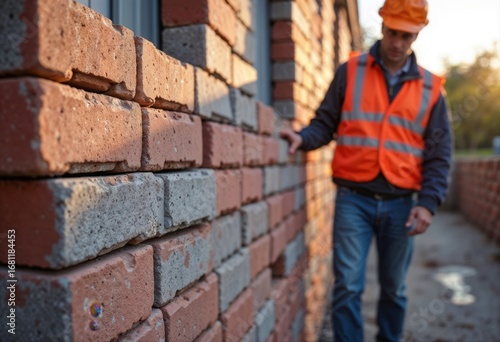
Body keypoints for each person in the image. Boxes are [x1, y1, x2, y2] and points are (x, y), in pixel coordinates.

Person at [280, 0, 452, 341]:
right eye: (392, 33)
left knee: (394, 290)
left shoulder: (432, 89)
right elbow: (324, 124)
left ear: (418, 34)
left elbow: (439, 154)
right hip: (352, 199)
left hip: (402, 203)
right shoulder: (351, 71)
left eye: (406, 36)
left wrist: (427, 203)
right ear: (382, 25)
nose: (397, 43)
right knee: (347, 286)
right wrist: (300, 138)